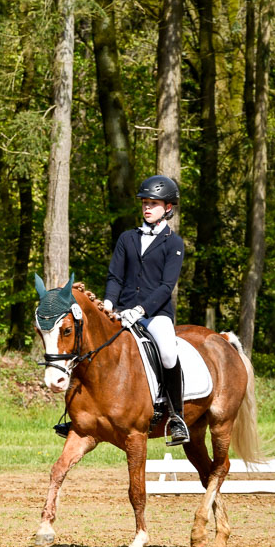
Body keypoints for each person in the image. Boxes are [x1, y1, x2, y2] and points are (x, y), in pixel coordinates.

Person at [102, 175, 189, 445]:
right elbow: (115, 277)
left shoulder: (174, 244)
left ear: (168, 208)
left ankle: (176, 417)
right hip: (121, 309)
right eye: (145, 203)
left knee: (166, 351)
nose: (147, 208)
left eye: (153, 203)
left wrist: (140, 309)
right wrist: (107, 304)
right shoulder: (127, 238)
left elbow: (166, 286)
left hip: (155, 313)